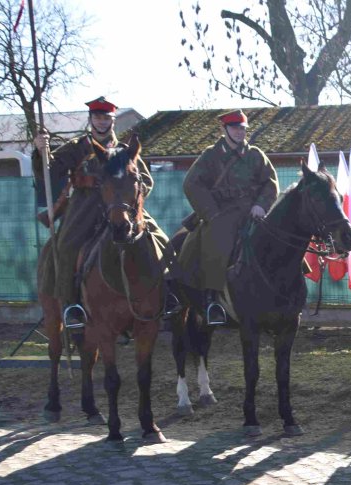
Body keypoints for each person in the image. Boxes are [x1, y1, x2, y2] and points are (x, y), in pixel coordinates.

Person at [33, 97, 159, 329]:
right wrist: (41, 151)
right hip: (85, 206)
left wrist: (133, 200)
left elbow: (146, 181)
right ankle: (72, 304)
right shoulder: (76, 147)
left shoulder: (124, 150)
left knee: (157, 238)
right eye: (97, 118)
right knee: (66, 245)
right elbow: (49, 172)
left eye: (106, 118)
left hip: (122, 207)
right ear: (91, 120)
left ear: (113, 121)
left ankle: (166, 292)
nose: (101, 122)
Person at [177, 110, 279, 326]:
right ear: (223, 130)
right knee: (218, 242)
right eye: (235, 127)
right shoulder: (210, 155)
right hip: (221, 212)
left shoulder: (255, 155)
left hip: (252, 211)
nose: (240, 132)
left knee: (278, 236)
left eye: (243, 128)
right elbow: (191, 184)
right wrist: (211, 213)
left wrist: (261, 205)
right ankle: (212, 300)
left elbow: (270, 182)